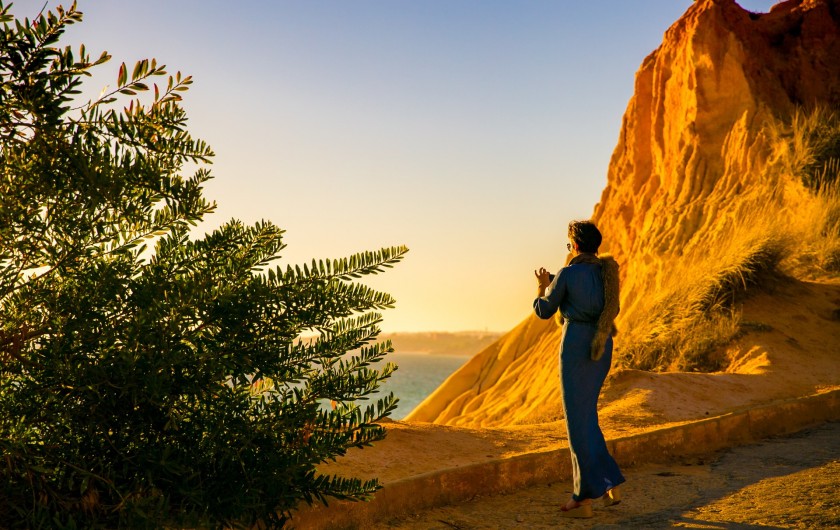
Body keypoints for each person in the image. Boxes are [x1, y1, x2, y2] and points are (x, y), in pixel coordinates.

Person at [533, 220, 625, 519]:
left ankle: (583, 498)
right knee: (588, 415)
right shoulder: (607, 273)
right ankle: (610, 483)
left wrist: (542, 286)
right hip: (602, 343)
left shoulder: (568, 273)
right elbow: (614, 308)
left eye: (568, 243)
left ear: (574, 245)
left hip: (575, 345)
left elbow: (544, 310)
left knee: (576, 420)